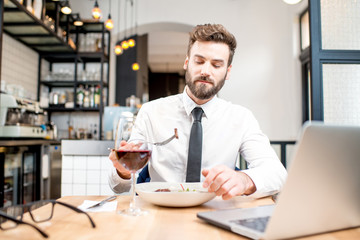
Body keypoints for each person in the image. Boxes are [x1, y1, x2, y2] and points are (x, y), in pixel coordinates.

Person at [108, 23, 287, 200]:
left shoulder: (241, 118)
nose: (205, 71)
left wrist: (244, 180)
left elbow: (277, 174)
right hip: (160, 213)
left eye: (216, 65)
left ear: (228, 72)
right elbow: (118, 188)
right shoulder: (150, 112)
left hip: (217, 214)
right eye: (199, 61)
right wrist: (123, 172)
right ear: (187, 62)